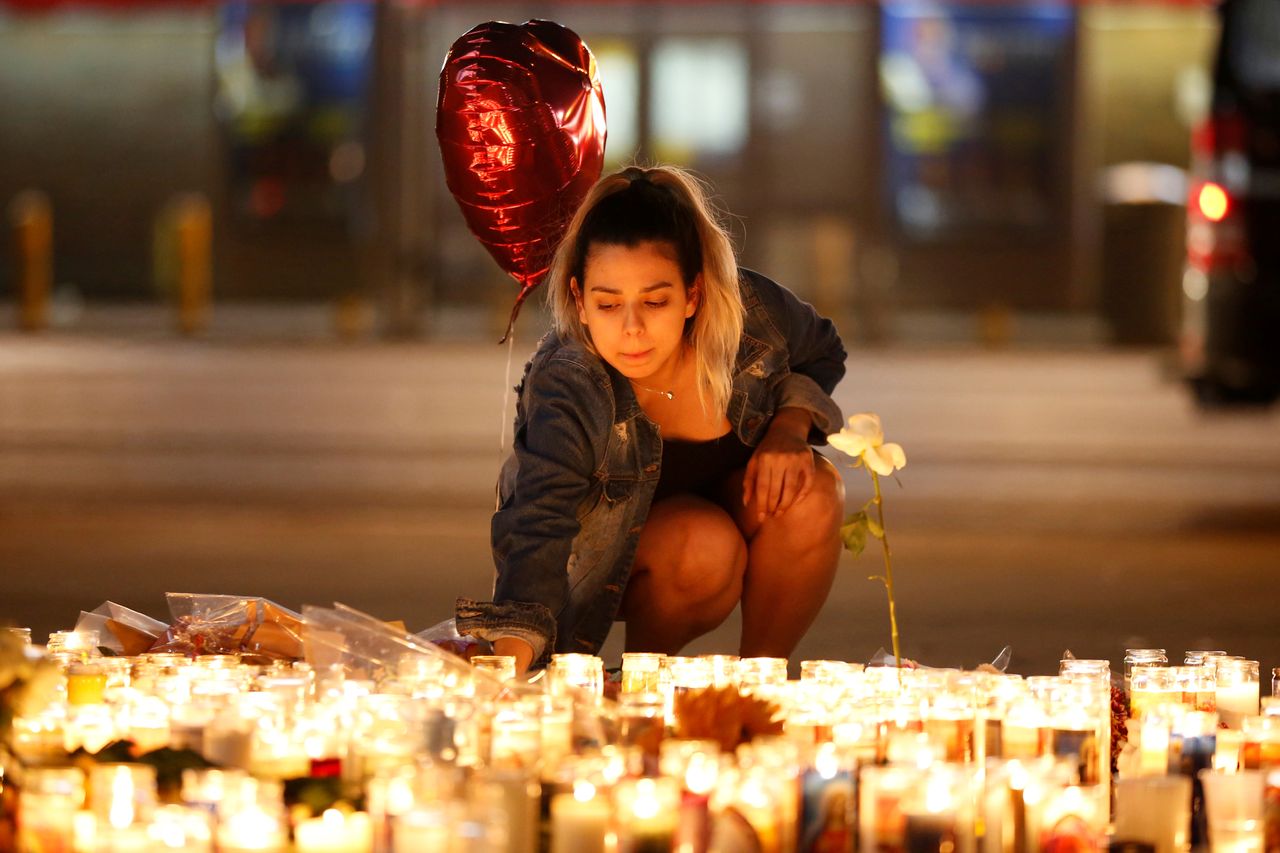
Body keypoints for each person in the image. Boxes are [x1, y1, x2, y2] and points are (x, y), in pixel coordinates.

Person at [456, 165, 847, 674]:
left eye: (656, 301)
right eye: (608, 304)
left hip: (732, 509)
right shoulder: (569, 380)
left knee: (814, 490)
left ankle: (760, 681)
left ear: (694, 295)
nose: (632, 329)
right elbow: (538, 520)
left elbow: (822, 350)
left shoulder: (751, 313)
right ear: (579, 299)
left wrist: (789, 428)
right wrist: (508, 669)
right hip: (610, 558)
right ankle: (641, 681)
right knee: (703, 545)